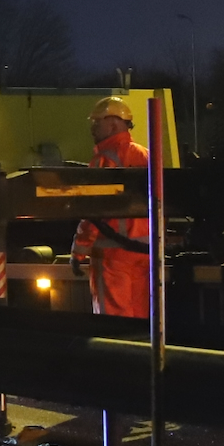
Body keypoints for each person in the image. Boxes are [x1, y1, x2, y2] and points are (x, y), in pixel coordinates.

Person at [70, 97, 150, 318]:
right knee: (141, 320)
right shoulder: (145, 155)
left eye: (97, 122)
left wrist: (79, 252)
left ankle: (118, 354)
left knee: (113, 323)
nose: (92, 128)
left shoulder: (103, 161)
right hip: (144, 254)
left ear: (114, 124)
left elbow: (93, 214)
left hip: (113, 257)